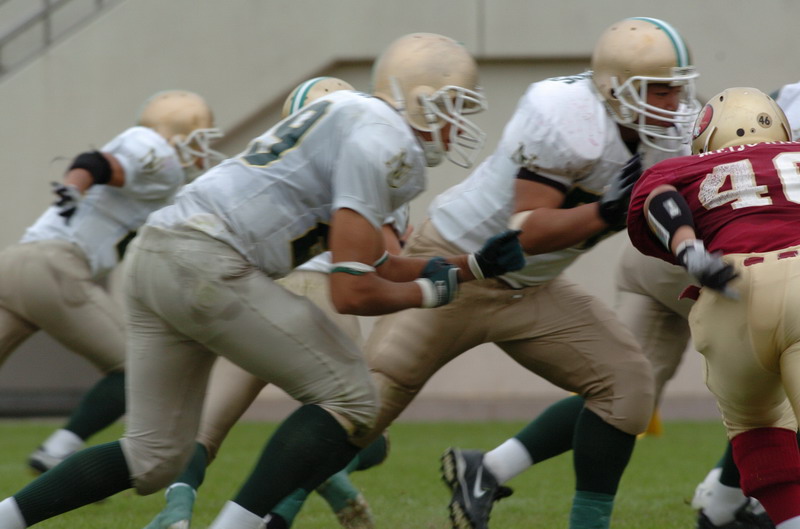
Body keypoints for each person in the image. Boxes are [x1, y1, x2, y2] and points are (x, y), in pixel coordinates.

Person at [0, 32, 525, 529]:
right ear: (421, 100)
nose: (459, 125)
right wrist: (433, 292)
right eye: (455, 106)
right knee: (353, 397)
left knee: (152, 457)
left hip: (155, 257)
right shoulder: (386, 142)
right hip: (206, 263)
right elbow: (352, 292)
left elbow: (379, 262)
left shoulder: (348, 115)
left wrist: (472, 266)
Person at [344, 16, 698, 529]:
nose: (675, 103)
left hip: (531, 287)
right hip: (458, 266)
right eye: (661, 90)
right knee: (360, 413)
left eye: (678, 89)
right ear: (615, 89)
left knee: (628, 388)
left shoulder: (667, 138)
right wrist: (607, 211)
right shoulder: (566, 114)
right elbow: (526, 229)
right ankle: (262, 514)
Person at [141, 76, 402, 529]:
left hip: (253, 295)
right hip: (324, 297)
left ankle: (175, 512)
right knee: (355, 429)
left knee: (204, 431)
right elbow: (386, 259)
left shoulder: (265, 163)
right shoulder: (376, 164)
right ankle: (298, 499)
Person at [0, 89, 223, 474]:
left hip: (15, 262)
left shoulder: (163, 179)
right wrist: (75, 185)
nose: (203, 150)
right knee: (138, 371)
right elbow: (96, 163)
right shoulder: (156, 151)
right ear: (177, 133)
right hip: (56, 267)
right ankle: (58, 451)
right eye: (199, 138)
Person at [627, 86, 800, 529]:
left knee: (759, 430)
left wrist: (689, 250)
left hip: (729, 291)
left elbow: (658, 198)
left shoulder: (682, 168)